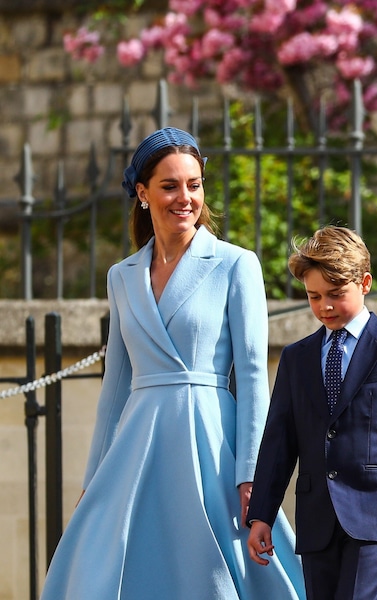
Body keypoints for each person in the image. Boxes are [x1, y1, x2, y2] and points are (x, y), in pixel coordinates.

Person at [40, 127, 305, 599]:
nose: (185, 197)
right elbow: (115, 389)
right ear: (142, 194)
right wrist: (92, 481)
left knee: (213, 573)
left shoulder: (235, 264)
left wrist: (251, 474)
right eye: (169, 185)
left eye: (194, 184)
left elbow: (251, 377)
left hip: (210, 445)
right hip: (136, 453)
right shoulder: (121, 277)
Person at [246, 226, 377, 599]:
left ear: (364, 282)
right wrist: (261, 514)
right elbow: (279, 440)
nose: (324, 306)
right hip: (316, 521)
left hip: (376, 516)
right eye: (313, 296)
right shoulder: (296, 358)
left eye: (335, 294)